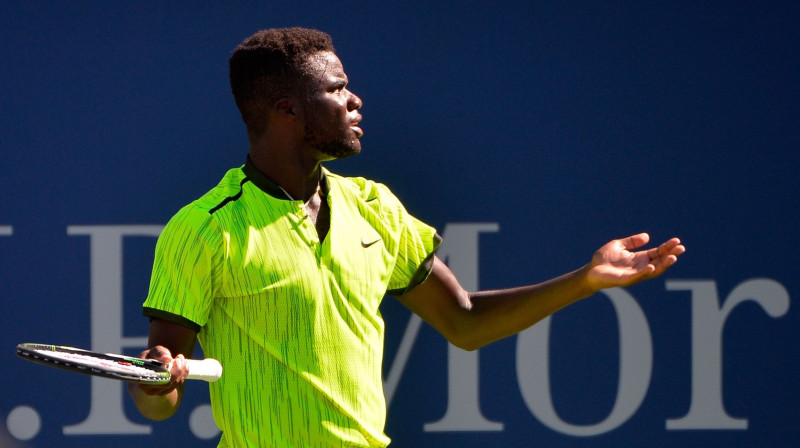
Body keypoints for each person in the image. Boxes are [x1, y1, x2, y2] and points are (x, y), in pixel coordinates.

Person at [128, 27, 685, 447]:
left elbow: (464, 321)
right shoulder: (204, 229)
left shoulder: (375, 208)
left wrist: (586, 280)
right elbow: (161, 400)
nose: (355, 101)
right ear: (287, 109)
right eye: (338, 89)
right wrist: (155, 382)